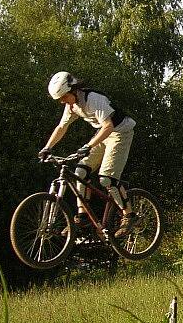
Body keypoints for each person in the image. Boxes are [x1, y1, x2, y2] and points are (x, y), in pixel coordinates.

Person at [38, 71, 137, 237]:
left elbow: (108, 127)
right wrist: (47, 148)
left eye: (64, 97)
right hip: (104, 134)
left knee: (107, 178)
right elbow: (61, 127)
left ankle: (129, 216)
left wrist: (88, 145)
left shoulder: (93, 100)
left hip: (120, 132)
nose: (63, 102)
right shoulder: (72, 105)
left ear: (73, 90)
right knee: (80, 172)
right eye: (60, 99)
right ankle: (82, 217)